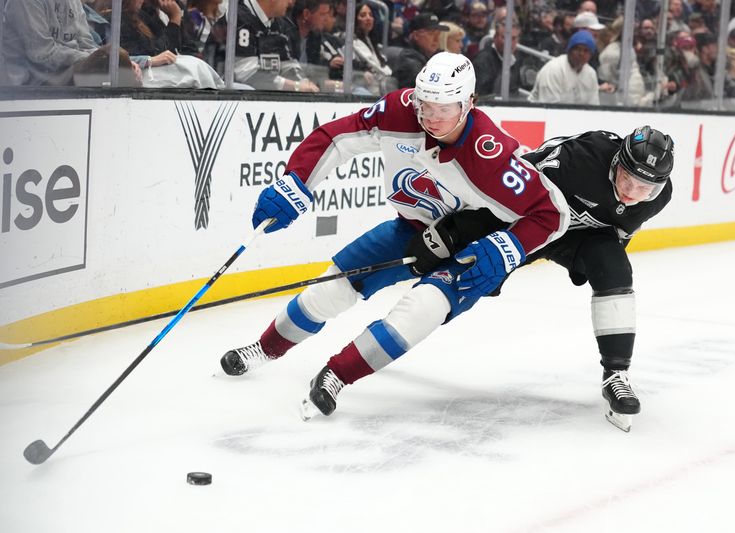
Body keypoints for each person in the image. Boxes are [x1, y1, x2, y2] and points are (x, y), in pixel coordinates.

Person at [219, 52, 569, 420]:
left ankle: (337, 375)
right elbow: (336, 138)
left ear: (469, 104)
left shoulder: (490, 154)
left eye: (444, 109)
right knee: (329, 289)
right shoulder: (398, 110)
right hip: (410, 228)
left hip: (470, 249)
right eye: (425, 105)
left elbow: (550, 213)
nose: (431, 118)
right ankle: (265, 348)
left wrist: (509, 248)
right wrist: (297, 179)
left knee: (418, 312)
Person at [517, 126, 674, 431]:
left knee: (616, 268)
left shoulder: (657, 199)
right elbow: (513, 184)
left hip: (578, 240)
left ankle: (616, 375)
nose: (631, 193)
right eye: (628, 179)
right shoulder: (581, 159)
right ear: (616, 163)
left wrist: (603, 272)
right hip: (531, 222)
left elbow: (618, 237)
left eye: (645, 188)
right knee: (470, 273)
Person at [2, 0, 99, 85]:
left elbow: (87, 44)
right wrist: (94, 57)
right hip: (28, 88)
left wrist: (104, 56)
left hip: (64, 81)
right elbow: (42, 54)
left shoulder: (74, 2)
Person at [528, 30, 600, 105]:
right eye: (577, 49)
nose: (581, 54)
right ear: (569, 50)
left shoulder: (591, 73)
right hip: (540, 113)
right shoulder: (554, 69)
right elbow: (549, 108)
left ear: (591, 55)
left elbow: (593, 106)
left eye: (586, 51)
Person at [393, 12, 448, 88]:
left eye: (438, 34)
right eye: (431, 34)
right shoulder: (409, 59)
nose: (436, 39)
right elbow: (427, 88)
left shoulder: (434, 57)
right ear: (416, 36)